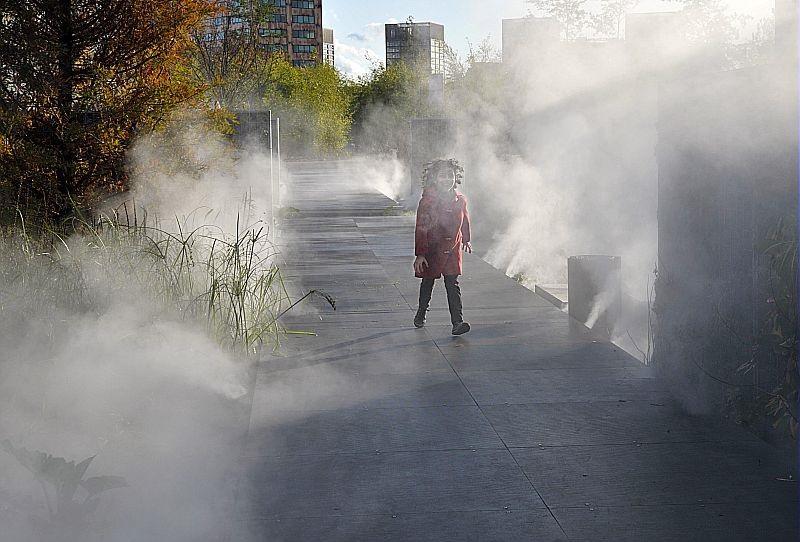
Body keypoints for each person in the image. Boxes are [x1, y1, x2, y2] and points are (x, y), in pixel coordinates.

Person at [413, 159, 472, 335]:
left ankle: (457, 322)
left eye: (450, 175)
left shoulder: (460, 200)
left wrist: (467, 239)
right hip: (432, 248)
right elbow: (421, 228)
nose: (446, 179)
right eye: (442, 176)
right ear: (434, 178)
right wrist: (420, 254)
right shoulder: (427, 201)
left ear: (456, 178)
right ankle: (421, 312)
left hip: (453, 247)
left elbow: (465, 220)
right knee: (428, 281)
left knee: (452, 283)